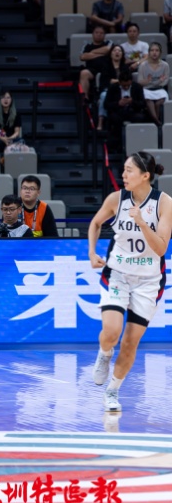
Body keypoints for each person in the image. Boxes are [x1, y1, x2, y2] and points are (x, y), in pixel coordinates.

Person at [89, 151, 172, 412]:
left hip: (149, 280)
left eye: (129, 170)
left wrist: (142, 223)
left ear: (145, 176)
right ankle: (104, 354)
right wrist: (91, 252)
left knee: (130, 342)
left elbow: (161, 249)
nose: (123, 175)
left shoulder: (164, 203)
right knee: (111, 332)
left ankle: (113, 391)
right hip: (118, 274)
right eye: (123, 169)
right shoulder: (116, 199)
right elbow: (95, 223)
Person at [105, 69, 148, 137]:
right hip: (118, 112)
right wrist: (118, 103)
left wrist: (132, 102)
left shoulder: (137, 87)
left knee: (140, 117)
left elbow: (143, 104)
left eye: (128, 85)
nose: (126, 87)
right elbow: (106, 104)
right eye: (124, 85)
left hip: (133, 111)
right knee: (114, 119)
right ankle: (117, 140)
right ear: (120, 82)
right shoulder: (113, 88)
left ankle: (135, 137)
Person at [96, 44, 128, 130]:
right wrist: (119, 81)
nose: (117, 52)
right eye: (115, 50)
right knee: (103, 96)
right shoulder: (106, 66)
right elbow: (106, 81)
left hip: (122, 90)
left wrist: (115, 81)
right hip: (108, 90)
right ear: (111, 54)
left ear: (122, 54)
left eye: (119, 51)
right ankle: (100, 121)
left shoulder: (125, 67)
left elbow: (127, 80)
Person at [139, 41, 170, 125]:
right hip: (147, 90)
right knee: (149, 101)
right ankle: (157, 121)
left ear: (160, 53)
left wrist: (150, 82)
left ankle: (156, 121)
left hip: (160, 89)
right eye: (152, 50)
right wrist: (158, 81)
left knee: (159, 103)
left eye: (157, 50)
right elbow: (140, 82)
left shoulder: (165, 65)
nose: (154, 52)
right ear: (149, 52)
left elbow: (165, 82)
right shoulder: (143, 65)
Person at [79, 26, 111, 97]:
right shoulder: (87, 46)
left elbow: (108, 49)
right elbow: (83, 57)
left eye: (101, 33)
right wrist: (101, 54)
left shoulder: (108, 43)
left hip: (107, 69)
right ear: (92, 34)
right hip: (92, 70)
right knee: (84, 73)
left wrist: (92, 52)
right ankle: (84, 98)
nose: (99, 34)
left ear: (104, 35)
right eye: (96, 32)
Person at [0, 90, 22, 156]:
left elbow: (17, 132)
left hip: (11, 138)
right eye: (3, 97)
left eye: (8, 97)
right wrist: (2, 139)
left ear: (11, 100)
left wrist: (9, 139)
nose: (6, 100)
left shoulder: (17, 114)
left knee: (20, 141)